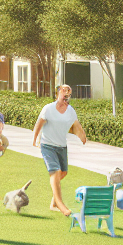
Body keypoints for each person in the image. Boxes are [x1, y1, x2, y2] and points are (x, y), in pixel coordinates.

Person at [32, 84, 87, 216]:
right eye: (64, 91)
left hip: (61, 146)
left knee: (63, 173)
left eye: (69, 92)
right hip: (47, 145)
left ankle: (53, 203)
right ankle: (61, 205)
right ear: (58, 94)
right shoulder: (48, 109)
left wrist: (82, 136)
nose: (67, 94)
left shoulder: (70, 111)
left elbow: (76, 125)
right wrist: (35, 139)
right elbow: (39, 124)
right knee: (55, 172)